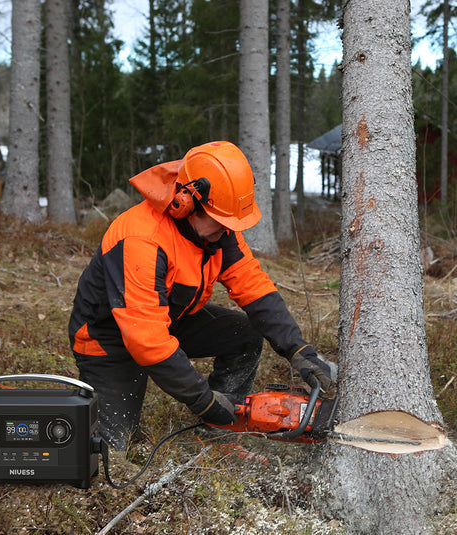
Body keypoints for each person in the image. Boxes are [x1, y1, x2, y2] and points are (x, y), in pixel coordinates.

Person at [69, 140, 333, 451]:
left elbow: (254, 287)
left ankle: (220, 435)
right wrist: (204, 402)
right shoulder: (143, 239)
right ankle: (214, 416)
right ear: (186, 202)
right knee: (111, 451)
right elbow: (147, 341)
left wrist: (299, 350)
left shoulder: (220, 234)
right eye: (221, 222)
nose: (227, 230)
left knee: (244, 333)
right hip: (108, 340)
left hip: (167, 320)